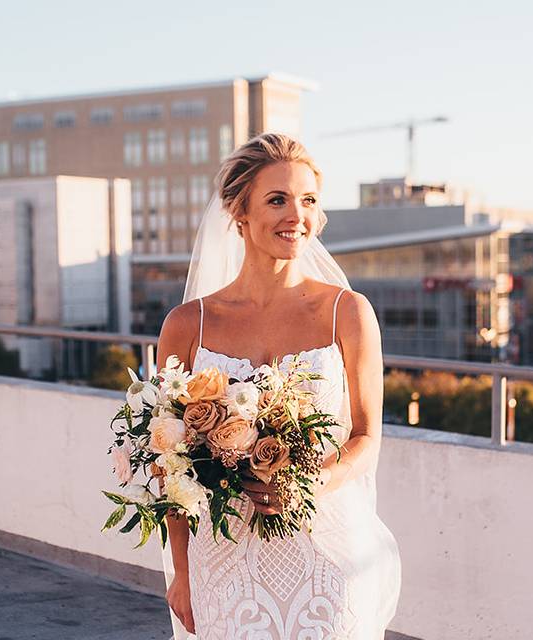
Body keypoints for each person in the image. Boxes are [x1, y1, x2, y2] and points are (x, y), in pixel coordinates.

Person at [155, 133, 401, 639]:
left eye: (308, 200)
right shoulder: (187, 325)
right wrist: (181, 572)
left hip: (328, 560)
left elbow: (367, 438)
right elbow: (166, 459)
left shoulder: (348, 313)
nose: (297, 215)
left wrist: (313, 483)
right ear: (238, 212)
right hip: (222, 563)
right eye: (277, 200)